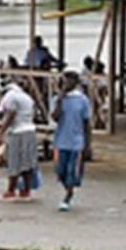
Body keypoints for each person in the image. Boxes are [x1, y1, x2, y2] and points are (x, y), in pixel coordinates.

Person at [51, 71, 91, 211]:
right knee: (60, 171)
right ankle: (68, 189)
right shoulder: (57, 99)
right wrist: (60, 101)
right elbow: (55, 117)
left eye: (69, 81)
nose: (66, 84)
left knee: (72, 171)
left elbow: (86, 123)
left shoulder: (82, 100)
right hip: (61, 140)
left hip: (76, 141)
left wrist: (87, 144)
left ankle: (68, 196)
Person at [0, 78, 37, 200]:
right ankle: (26, 191)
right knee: (27, 163)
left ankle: (11, 191)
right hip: (30, 130)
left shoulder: (10, 96)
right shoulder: (27, 97)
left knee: (14, 163)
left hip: (18, 132)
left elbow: (10, 114)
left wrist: (1, 132)